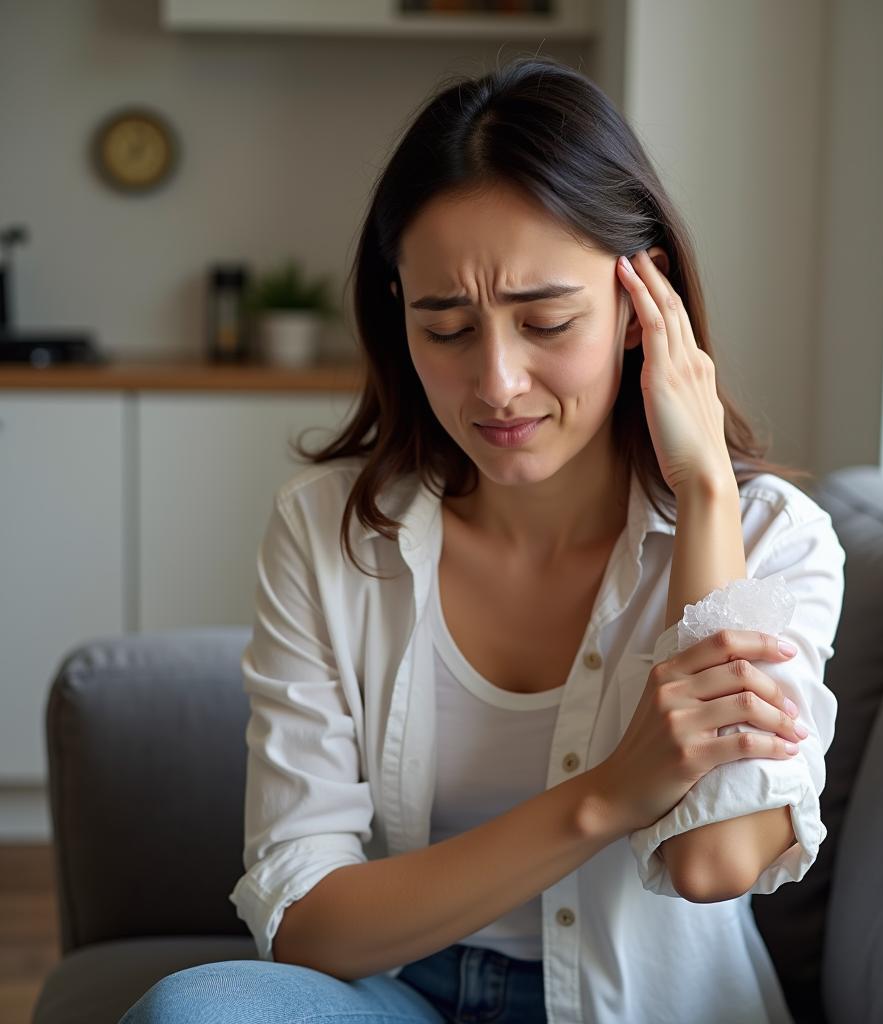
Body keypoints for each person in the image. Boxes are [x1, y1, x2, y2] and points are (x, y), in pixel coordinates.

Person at [119, 55, 845, 1024]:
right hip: (397, 993)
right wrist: (605, 796)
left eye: (545, 319)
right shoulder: (327, 528)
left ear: (642, 307)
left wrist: (705, 488)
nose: (496, 381)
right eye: (448, 328)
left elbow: (715, 860)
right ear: (398, 319)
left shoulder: (769, 535)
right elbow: (304, 923)